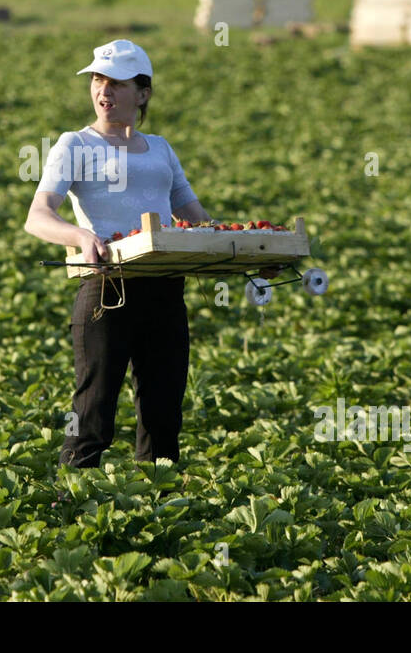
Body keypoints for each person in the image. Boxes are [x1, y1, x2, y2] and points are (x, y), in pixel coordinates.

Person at [24, 38, 282, 470]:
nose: (103, 91)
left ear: (143, 94)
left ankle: (157, 515)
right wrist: (81, 236)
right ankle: (69, 508)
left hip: (164, 291)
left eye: (117, 84)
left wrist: (252, 260)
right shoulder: (76, 145)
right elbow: (37, 216)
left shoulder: (161, 149)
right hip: (107, 292)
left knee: (163, 417)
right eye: (97, 80)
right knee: (92, 412)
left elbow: (200, 225)